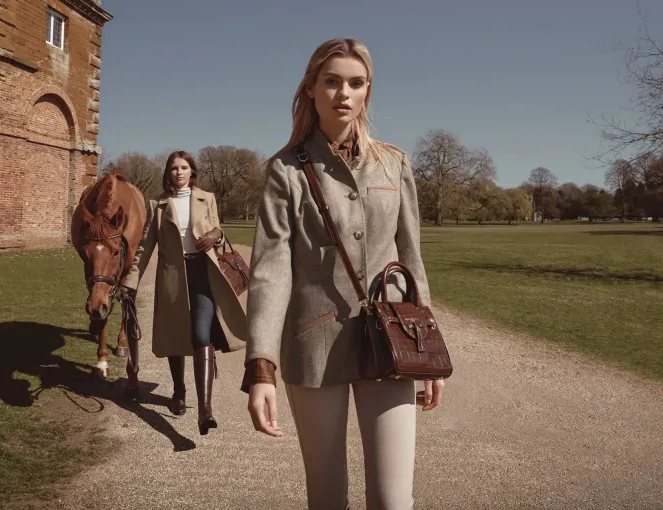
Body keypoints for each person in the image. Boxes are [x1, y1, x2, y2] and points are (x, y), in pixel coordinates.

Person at [241, 38, 446, 509]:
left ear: (367, 91)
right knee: (327, 496)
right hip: (314, 349)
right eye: (331, 81)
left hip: (391, 344)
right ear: (311, 88)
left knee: (394, 500)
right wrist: (261, 368)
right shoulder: (285, 172)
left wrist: (428, 347)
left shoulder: (394, 164)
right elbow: (271, 273)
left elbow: (412, 261)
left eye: (355, 83)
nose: (343, 93)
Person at [121, 150, 247, 435]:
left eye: (184, 167)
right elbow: (144, 247)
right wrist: (131, 281)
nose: (178, 172)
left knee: (201, 334)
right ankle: (179, 390)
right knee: (176, 336)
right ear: (168, 173)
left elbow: (217, 228)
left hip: (203, 273)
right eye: (174, 168)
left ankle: (205, 409)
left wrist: (215, 235)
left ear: (192, 172)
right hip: (172, 279)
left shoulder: (207, 198)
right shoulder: (158, 205)